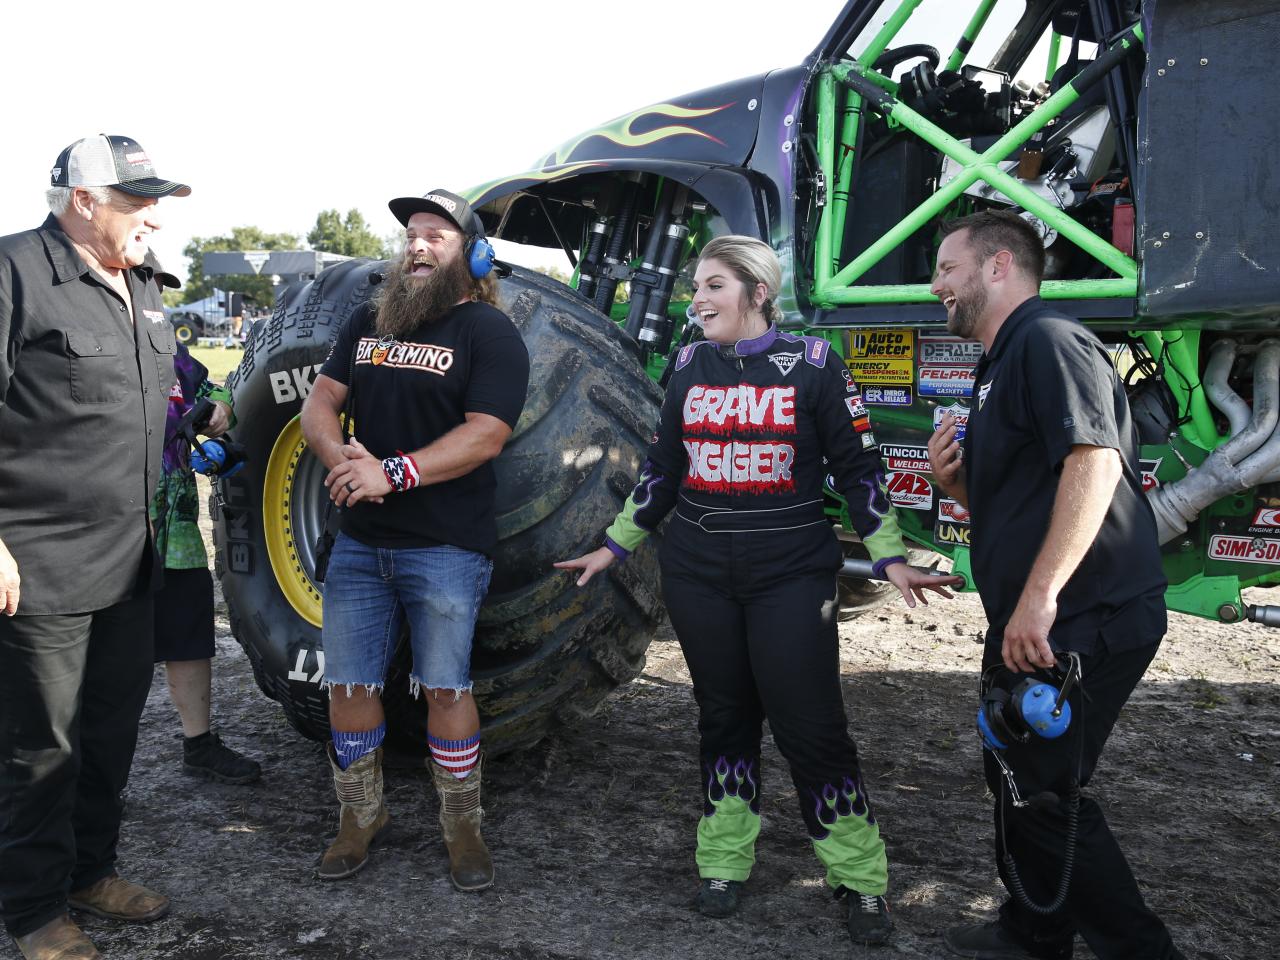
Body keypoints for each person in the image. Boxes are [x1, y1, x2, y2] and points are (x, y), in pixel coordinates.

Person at [556, 235, 959, 947]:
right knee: (724, 716)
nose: (698, 300)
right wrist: (615, 545)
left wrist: (891, 558)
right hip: (699, 572)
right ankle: (722, 862)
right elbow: (662, 470)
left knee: (811, 726)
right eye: (696, 287)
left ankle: (860, 880)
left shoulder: (813, 366)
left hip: (791, 574)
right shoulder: (685, 365)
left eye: (714, 286)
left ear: (758, 293)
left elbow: (860, 471)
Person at [925, 210, 1185, 960]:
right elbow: (1023, 506)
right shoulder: (1000, 360)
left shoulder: (1047, 339)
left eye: (948, 268)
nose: (935, 284)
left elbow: (1095, 463)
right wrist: (960, 484)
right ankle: (1035, 932)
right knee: (1010, 771)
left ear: (999, 266)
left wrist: (1039, 601)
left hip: (1084, 618)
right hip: (1037, 620)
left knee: (1042, 792)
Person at [300, 189, 529, 891]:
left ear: (474, 255)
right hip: (362, 546)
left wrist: (392, 474)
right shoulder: (368, 320)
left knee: (444, 687)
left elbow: (486, 434)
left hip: (445, 547)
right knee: (348, 683)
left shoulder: (489, 334)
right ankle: (360, 816)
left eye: (438, 235)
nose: (418, 245)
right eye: (412, 235)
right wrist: (341, 461)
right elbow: (321, 402)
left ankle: (462, 828)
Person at [0, 135, 190, 960]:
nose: (152, 213)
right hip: (38, 564)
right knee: (41, 748)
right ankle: (34, 911)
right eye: (134, 199)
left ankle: (89, 872)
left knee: (111, 733)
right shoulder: (14, 272)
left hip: (128, 560)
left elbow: (164, 394)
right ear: (83, 201)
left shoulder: (142, 283)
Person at [147, 257, 261, 785]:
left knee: (190, 633)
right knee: (108, 647)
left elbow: (216, 393)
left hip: (179, 533)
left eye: (159, 288)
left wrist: (217, 414)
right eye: (144, 284)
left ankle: (199, 744)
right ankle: (79, 764)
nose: (154, 297)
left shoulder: (175, 355)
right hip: (122, 523)